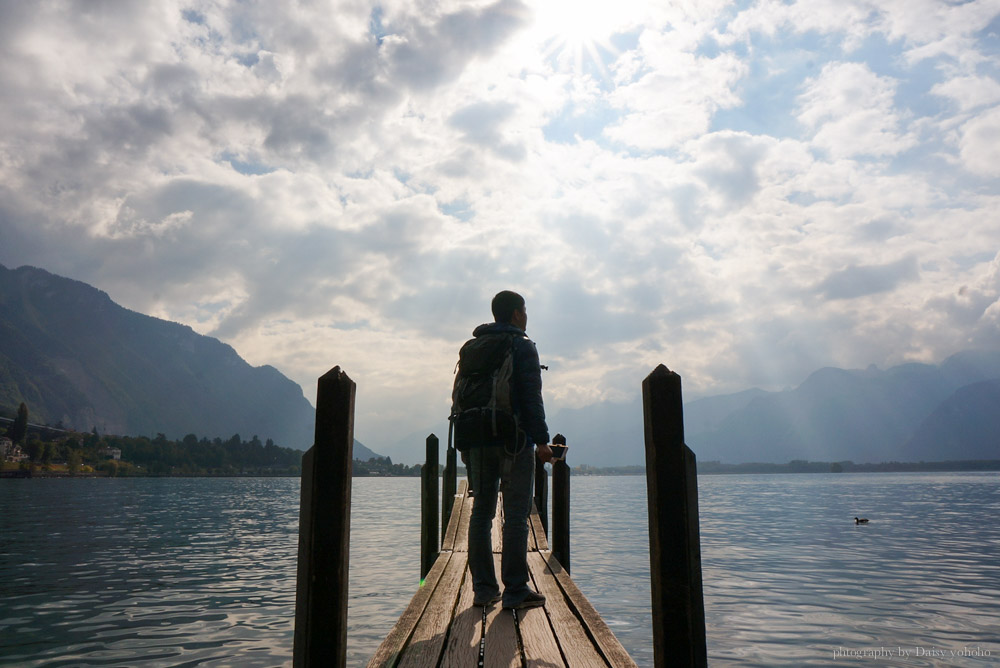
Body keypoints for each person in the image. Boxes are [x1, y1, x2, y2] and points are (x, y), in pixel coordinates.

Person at [466, 290, 553, 609]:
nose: (527, 315)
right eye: (525, 310)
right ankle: (515, 590)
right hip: (513, 440)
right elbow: (531, 398)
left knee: (481, 514)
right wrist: (542, 441)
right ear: (516, 314)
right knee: (516, 516)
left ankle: (484, 590)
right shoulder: (522, 345)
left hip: (476, 437)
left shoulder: (473, 346)